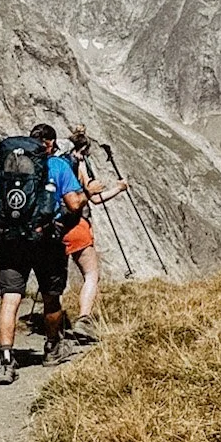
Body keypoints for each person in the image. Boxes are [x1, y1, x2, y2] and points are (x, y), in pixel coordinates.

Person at [0, 123, 86, 382]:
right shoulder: (59, 166)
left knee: (11, 298)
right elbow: (74, 204)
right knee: (51, 298)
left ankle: (5, 360)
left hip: (12, 244)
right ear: (49, 144)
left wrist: (2, 233)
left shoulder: (12, 166)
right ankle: (52, 348)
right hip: (46, 243)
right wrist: (83, 198)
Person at [60, 123, 132, 337]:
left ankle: (56, 323)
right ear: (81, 152)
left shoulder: (54, 165)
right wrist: (118, 189)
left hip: (52, 226)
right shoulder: (77, 166)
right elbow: (96, 199)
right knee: (91, 274)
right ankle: (84, 319)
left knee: (57, 278)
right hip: (76, 226)